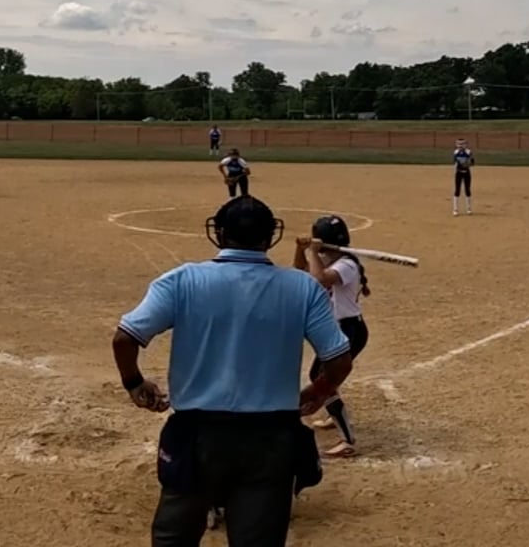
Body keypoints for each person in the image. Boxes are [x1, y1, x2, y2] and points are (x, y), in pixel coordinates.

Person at [112, 195, 353, 547]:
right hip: (270, 438)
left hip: (196, 435)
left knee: (173, 538)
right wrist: (318, 392)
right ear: (270, 236)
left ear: (220, 234)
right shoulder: (303, 288)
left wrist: (134, 382)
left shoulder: (182, 280)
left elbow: (124, 339)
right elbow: (339, 361)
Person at [294, 216, 370, 459]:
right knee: (324, 378)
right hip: (337, 328)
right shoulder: (329, 260)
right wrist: (301, 250)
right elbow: (300, 272)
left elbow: (319, 280)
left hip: (349, 329)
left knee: (322, 379)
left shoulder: (346, 265)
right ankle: (333, 411)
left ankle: (348, 441)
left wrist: (313, 252)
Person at [451, 138, 474, 217]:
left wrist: (467, 164)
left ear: (466, 145)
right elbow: (454, 162)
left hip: (466, 173)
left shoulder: (468, 152)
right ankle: (455, 209)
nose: (460, 145)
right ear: (456, 145)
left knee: (467, 190)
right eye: (459, 144)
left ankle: (469, 208)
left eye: (462, 144)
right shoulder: (455, 152)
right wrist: (457, 165)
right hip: (458, 173)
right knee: (457, 190)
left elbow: (472, 162)